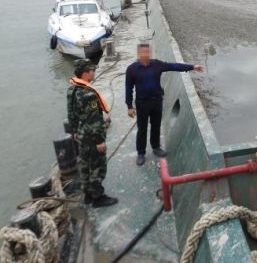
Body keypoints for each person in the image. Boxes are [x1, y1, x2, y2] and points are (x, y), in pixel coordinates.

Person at [125, 43, 204, 166]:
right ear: (139, 54)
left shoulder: (157, 64)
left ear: (150, 52)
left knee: (156, 125)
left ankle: (156, 147)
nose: (146, 54)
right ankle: (141, 153)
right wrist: (129, 106)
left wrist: (192, 66)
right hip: (142, 103)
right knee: (142, 128)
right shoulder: (132, 69)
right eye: (143, 52)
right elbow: (128, 88)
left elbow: (173, 66)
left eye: (147, 52)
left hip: (157, 101)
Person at [67, 59, 118, 207]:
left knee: (84, 165)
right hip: (91, 138)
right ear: (85, 73)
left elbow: (71, 114)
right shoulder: (88, 94)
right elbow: (93, 120)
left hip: (81, 135)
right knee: (97, 166)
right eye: (92, 70)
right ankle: (98, 197)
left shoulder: (72, 89)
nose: (94, 72)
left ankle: (87, 195)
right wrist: (99, 141)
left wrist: (75, 130)